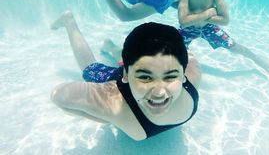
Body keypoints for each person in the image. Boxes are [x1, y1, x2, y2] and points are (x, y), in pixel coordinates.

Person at [50, 11, 201, 141]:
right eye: (145, 78)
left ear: (183, 74)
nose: (159, 93)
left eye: (170, 77)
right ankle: (69, 21)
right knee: (90, 68)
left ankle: (111, 47)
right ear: (126, 76)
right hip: (120, 80)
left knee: (135, 62)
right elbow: (59, 95)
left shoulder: (192, 76)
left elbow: (190, 57)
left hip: (132, 68)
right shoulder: (114, 101)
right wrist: (105, 117)